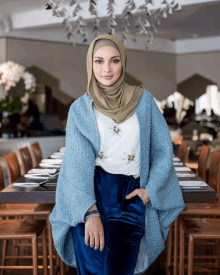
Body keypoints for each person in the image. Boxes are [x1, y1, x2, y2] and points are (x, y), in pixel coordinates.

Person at [49, 34, 185, 275]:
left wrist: (149, 191)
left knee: (122, 269)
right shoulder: (80, 109)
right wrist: (90, 213)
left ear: (123, 63)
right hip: (91, 194)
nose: (107, 69)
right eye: (99, 61)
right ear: (90, 64)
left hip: (130, 195)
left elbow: (163, 150)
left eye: (114, 61)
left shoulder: (143, 102)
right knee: (93, 270)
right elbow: (78, 164)